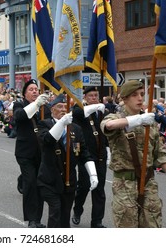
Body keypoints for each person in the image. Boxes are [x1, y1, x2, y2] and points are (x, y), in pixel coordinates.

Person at [100, 80, 166, 227]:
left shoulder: (150, 122)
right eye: (134, 95)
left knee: (152, 226)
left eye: (142, 94)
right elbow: (108, 126)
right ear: (124, 99)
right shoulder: (115, 118)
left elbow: (160, 153)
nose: (140, 98)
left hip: (148, 182)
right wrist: (139, 119)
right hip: (125, 185)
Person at [37, 94, 98, 228]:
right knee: (56, 211)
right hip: (50, 180)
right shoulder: (44, 124)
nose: (63, 109)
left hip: (68, 181)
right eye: (59, 106)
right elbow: (48, 140)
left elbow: (84, 154)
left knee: (65, 215)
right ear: (52, 109)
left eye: (66, 107)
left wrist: (93, 174)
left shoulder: (75, 128)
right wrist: (61, 123)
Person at [13, 79, 49, 228]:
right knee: (31, 184)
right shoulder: (19, 105)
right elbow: (20, 116)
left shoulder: (44, 108)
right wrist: (36, 104)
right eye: (31, 89)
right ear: (25, 93)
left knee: (39, 185)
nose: (35, 91)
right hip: (25, 153)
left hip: (41, 152)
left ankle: (38, 219)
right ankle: (31, 219)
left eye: (36, 89)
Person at [71, 86, 108, 228]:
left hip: (100, 155)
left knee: (99, 189)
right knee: (84, 186)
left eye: (96, 95)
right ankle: (77, 210)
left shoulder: (102, 112)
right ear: (85, 97)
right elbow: (80, 113)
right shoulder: (79, 109)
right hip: (85, 156)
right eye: (91, 96)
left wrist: (108, 150)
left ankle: (97, 221)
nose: (94, 98)